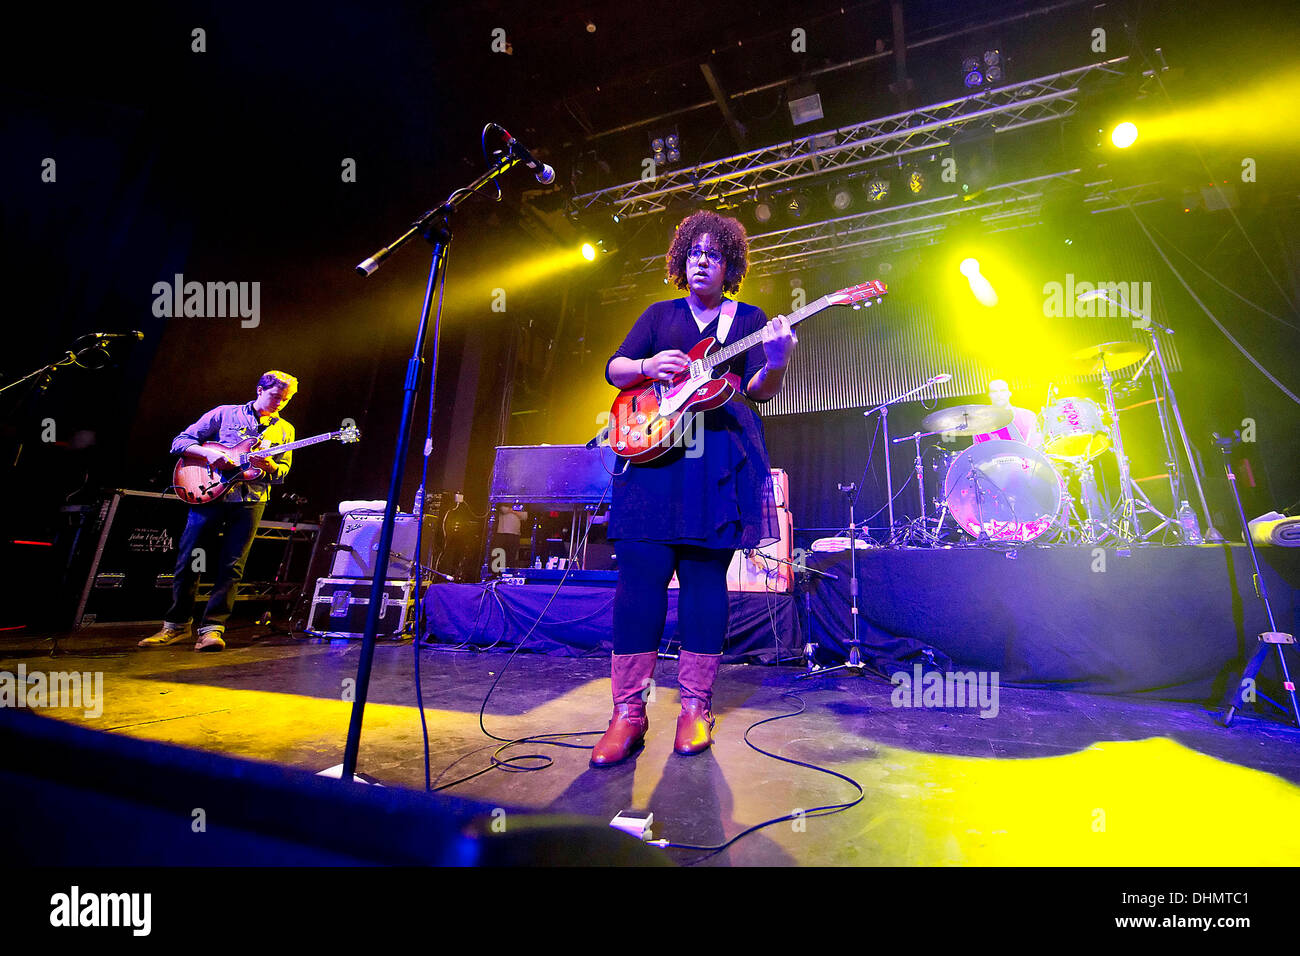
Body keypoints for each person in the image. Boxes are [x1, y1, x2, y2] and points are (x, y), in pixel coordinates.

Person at [593, 210, 797, 766]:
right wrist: (644, 364)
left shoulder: (748, 319)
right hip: (652, 464)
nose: (700, 260)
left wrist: (776, 361)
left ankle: (694, 709)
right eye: (693, 253)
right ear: (681, 262)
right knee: (639, 585)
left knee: (705, 584)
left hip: (716, 468)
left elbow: (761, 390)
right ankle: (627, 714)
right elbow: (614, 369)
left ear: (729, 263)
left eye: (712, 253)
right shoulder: (659, 315)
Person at [139, 371, 297, 651]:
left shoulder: (286, 430)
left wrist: (271, 467)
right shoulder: (225, 413)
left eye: (286, 401)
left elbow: (283, 471)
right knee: (189, 560)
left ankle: (212, 630)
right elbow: (180, 442)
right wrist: (210, 454)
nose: (280, 405)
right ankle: (176, 626)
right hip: (208, 495)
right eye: (276, 397)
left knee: (231, 566)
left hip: (251, 501)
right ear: (260, 389)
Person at [973, 378, 1042, 448]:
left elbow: (1036, 444)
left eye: (1003, 391)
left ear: (1010, 393)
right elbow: (980, 451)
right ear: (989, 395)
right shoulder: (981, 423)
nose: (999, 395)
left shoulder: (1028, 416)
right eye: (994, 392)